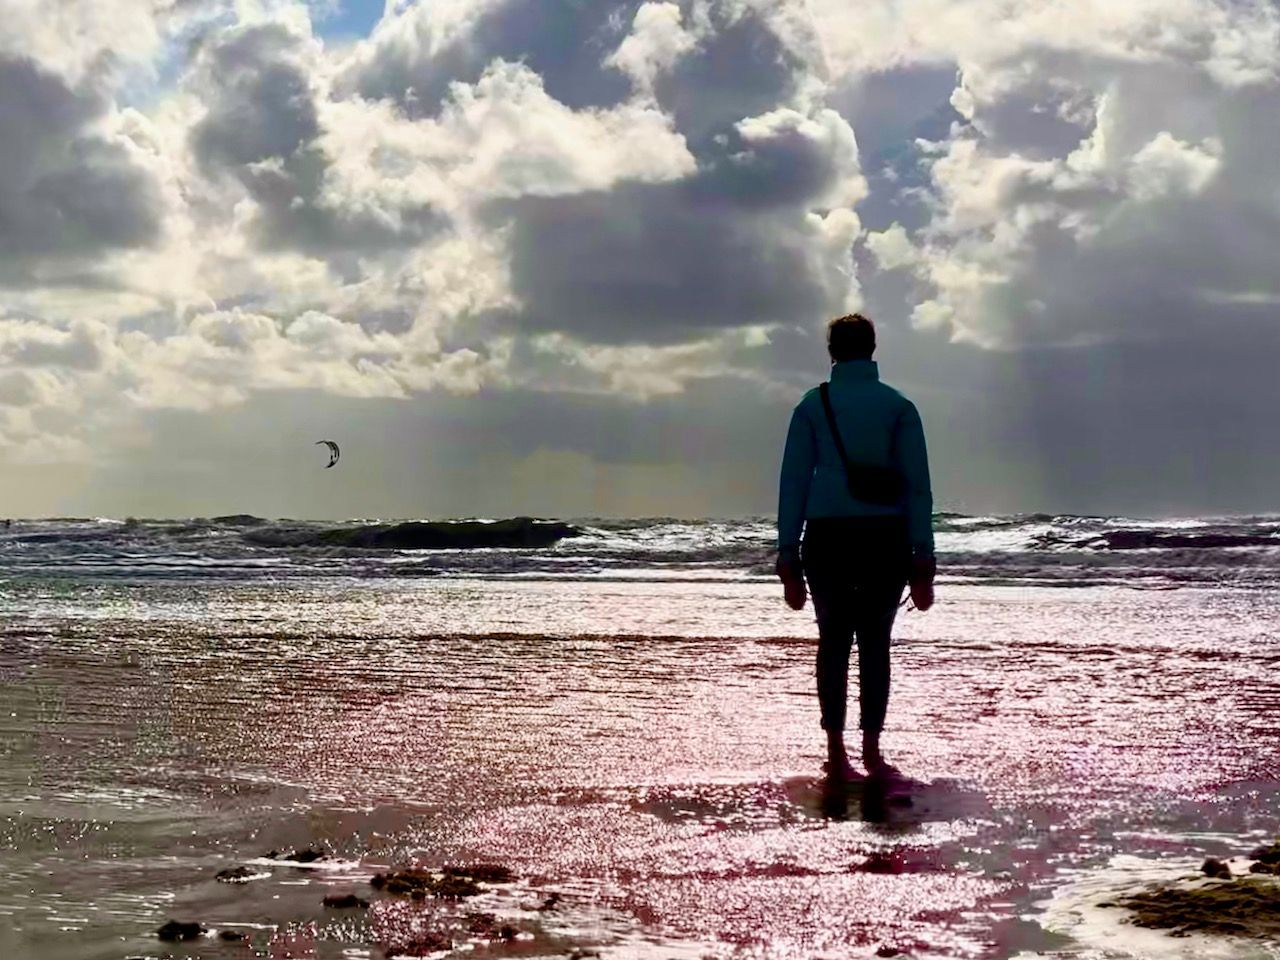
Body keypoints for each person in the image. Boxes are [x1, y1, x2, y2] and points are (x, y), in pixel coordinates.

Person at [776, 313, 935, 781]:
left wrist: (787, 552)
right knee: (875, 643)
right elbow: (918, 487)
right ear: (872, 348)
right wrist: (922, 554)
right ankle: (872, 748)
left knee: (833, 642)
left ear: (832, 352)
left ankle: (835, 751)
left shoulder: (811, 406)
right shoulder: (898, 406)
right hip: (884, 538)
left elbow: (793, 482)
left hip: (827, 537)